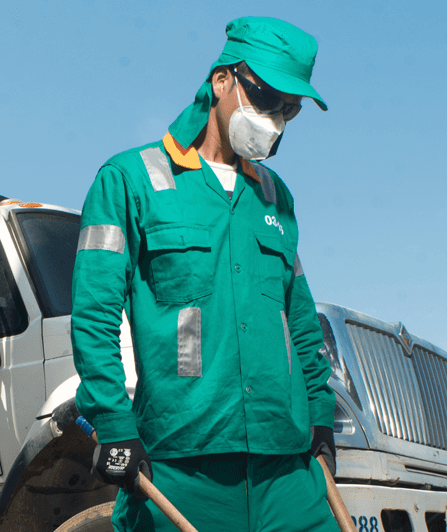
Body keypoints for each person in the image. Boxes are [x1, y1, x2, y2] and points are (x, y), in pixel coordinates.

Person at [71, 16, 337, 532]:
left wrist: (320, 416)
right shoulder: (129, 179)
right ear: (222, 81)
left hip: (286, 467)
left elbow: (300, 322)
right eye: (266, 99)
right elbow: (94, 315)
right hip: (180, 465)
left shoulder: (275, 197)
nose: (275, 121)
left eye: (289, 110)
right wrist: (112, 419)